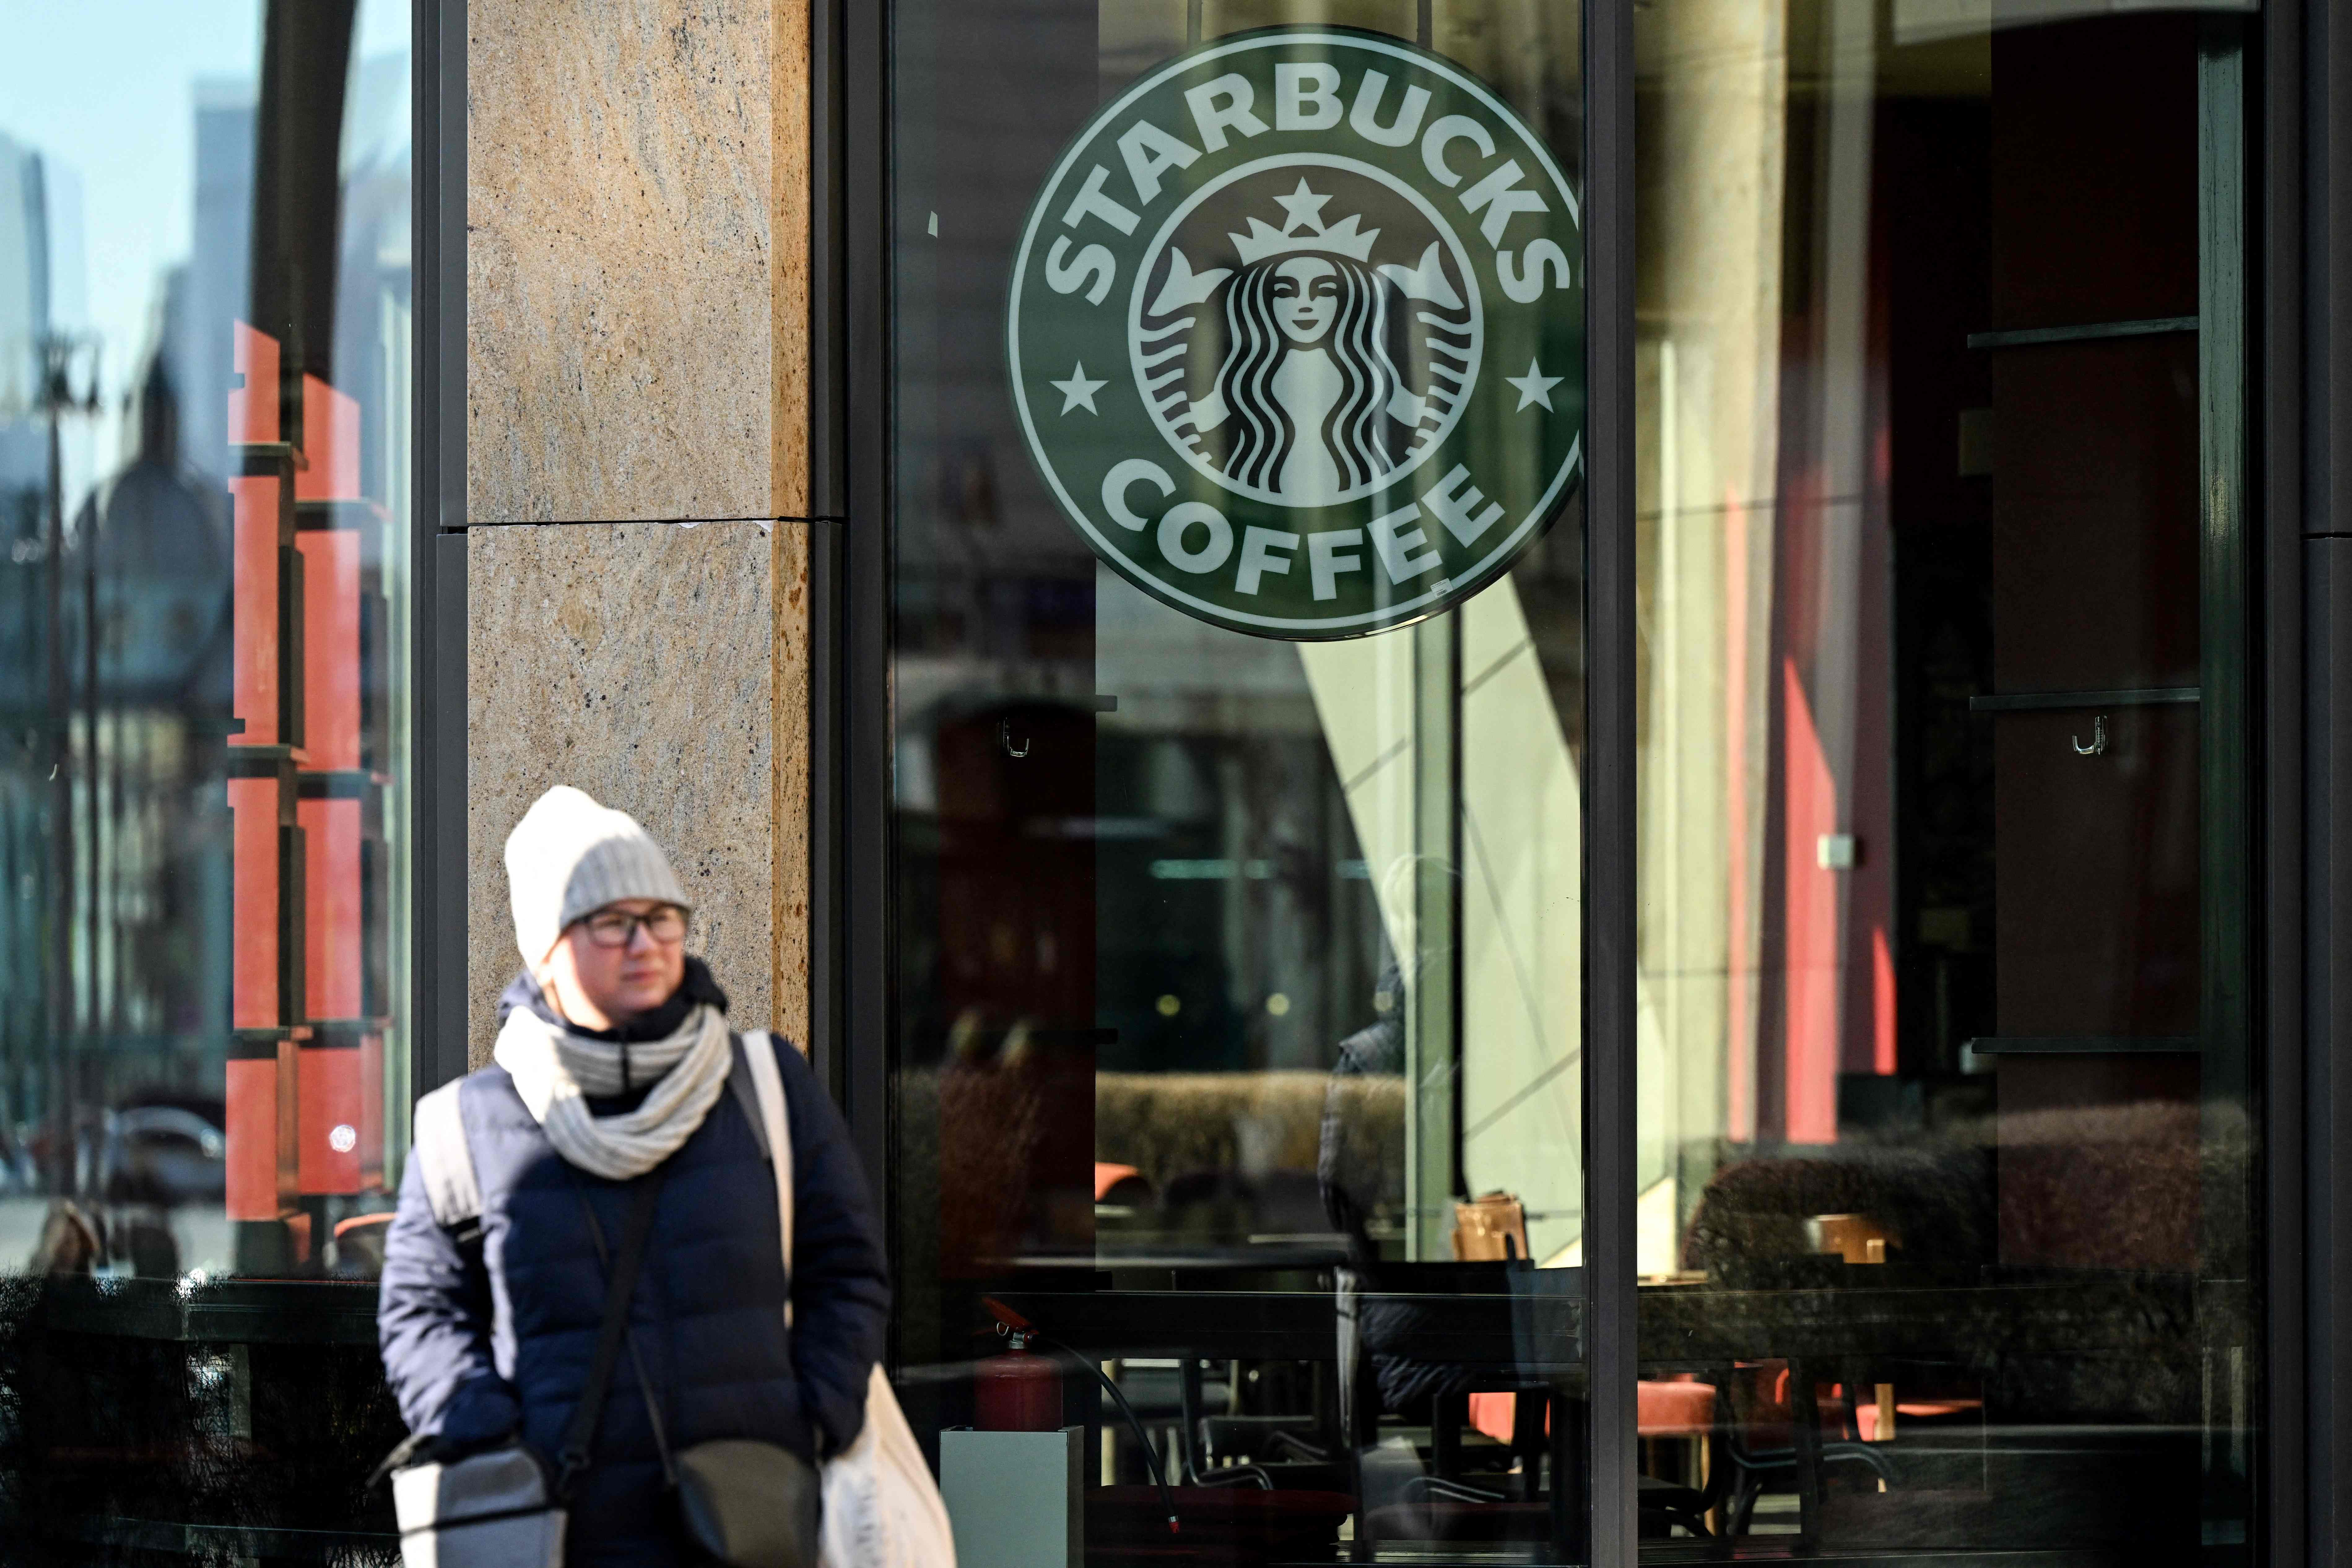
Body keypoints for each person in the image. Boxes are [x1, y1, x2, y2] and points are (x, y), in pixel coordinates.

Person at [378, 785, 888, 1566]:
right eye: (612, 923)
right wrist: (492, 1439)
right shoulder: (467, 1126)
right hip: (563, 1533)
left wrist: (813, 1417)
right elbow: (420, 1313)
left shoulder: (763, 1085)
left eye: (661, 918)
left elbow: (847, 1269)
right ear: (547, 951)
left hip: (751, 1519)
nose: (645, 943)